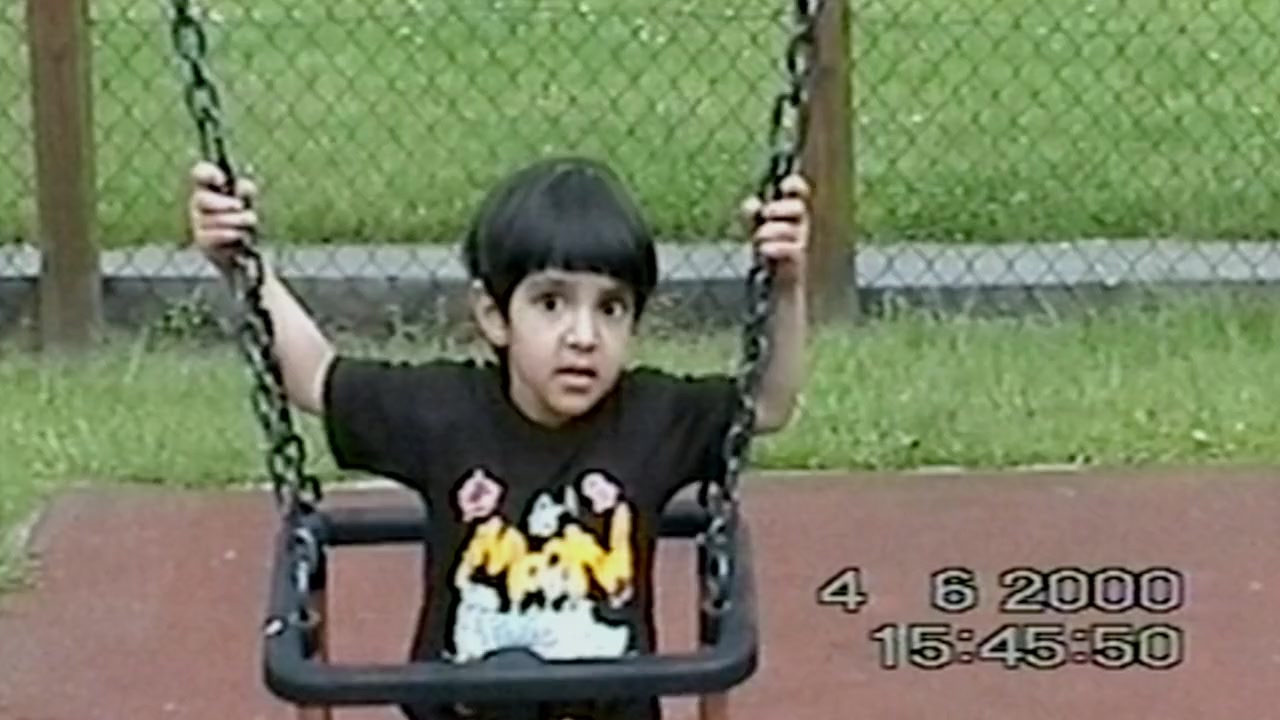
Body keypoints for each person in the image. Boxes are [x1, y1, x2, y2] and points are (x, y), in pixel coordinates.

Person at [186, 155, 811, 720]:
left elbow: (768, 403)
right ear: (494, 316)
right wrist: (243, 265)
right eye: (551, 303)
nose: (583, 336)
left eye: (611, 308)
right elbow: (317, 378)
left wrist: (784, 286)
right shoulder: (445, 414)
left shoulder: (653, 417)